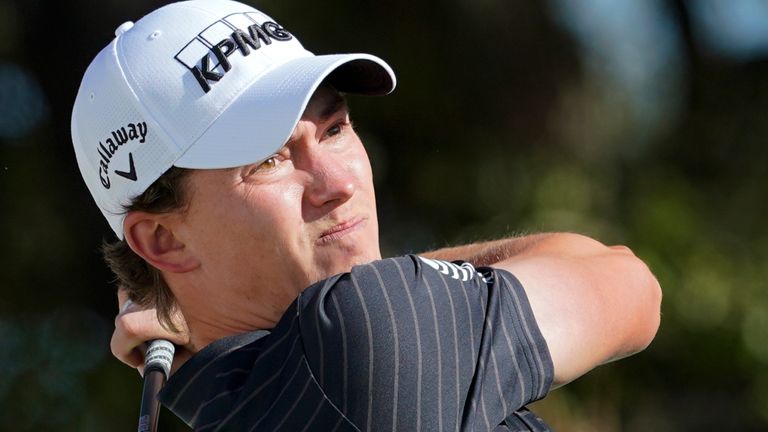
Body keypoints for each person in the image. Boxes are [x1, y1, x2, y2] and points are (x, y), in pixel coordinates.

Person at [71, 0, 662, 430]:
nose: (340, 182)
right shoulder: (362, 338)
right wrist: (403, 285)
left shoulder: (229, 406)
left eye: (335, 129)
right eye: (268, 160)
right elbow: (627, 281)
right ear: (162, 240)